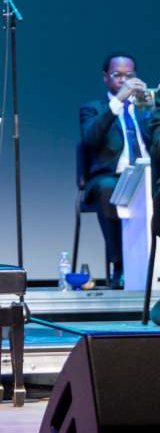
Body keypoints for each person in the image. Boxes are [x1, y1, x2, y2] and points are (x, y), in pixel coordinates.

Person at [80, 52, 157, 289]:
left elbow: (156, 139)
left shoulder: (144, 107)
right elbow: (90, 138)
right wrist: (118, 103)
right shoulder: (93, 108)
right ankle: (120, 265)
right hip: (109, 177)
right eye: (117, 75)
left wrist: (153, 107)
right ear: (106, 77)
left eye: (129, 76)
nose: (124, 81)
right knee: (108, 190)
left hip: (148, 174)